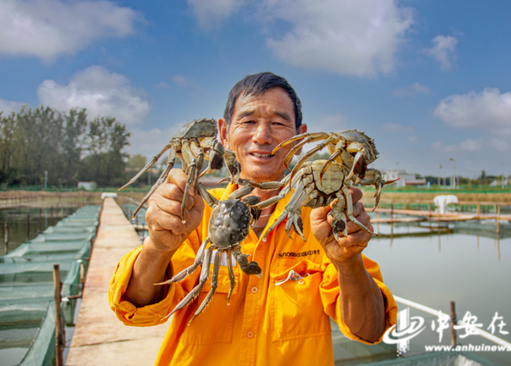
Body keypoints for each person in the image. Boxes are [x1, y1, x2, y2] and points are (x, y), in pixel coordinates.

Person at [109, 72, 397, 366]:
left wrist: (347, 262)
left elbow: (370, 329)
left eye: (278, 122)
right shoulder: (194, 213)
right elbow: (136, 309)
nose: (262, 136)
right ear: (223, 132)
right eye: (247, 121)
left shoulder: (324, 222)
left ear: (301, 136)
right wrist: (158, 247)